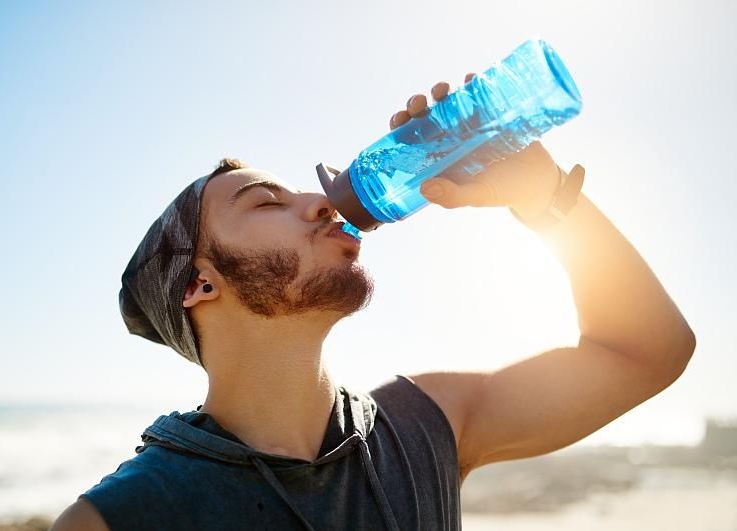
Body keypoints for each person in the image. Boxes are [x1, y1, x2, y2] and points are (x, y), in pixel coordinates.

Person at [50, 73, 696, 531]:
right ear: (200, 284)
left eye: (303, 191)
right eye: (268, 203)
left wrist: (545, 196)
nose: (321, 202)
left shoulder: (428, 423)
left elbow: (650, 352)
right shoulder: (118, 518)